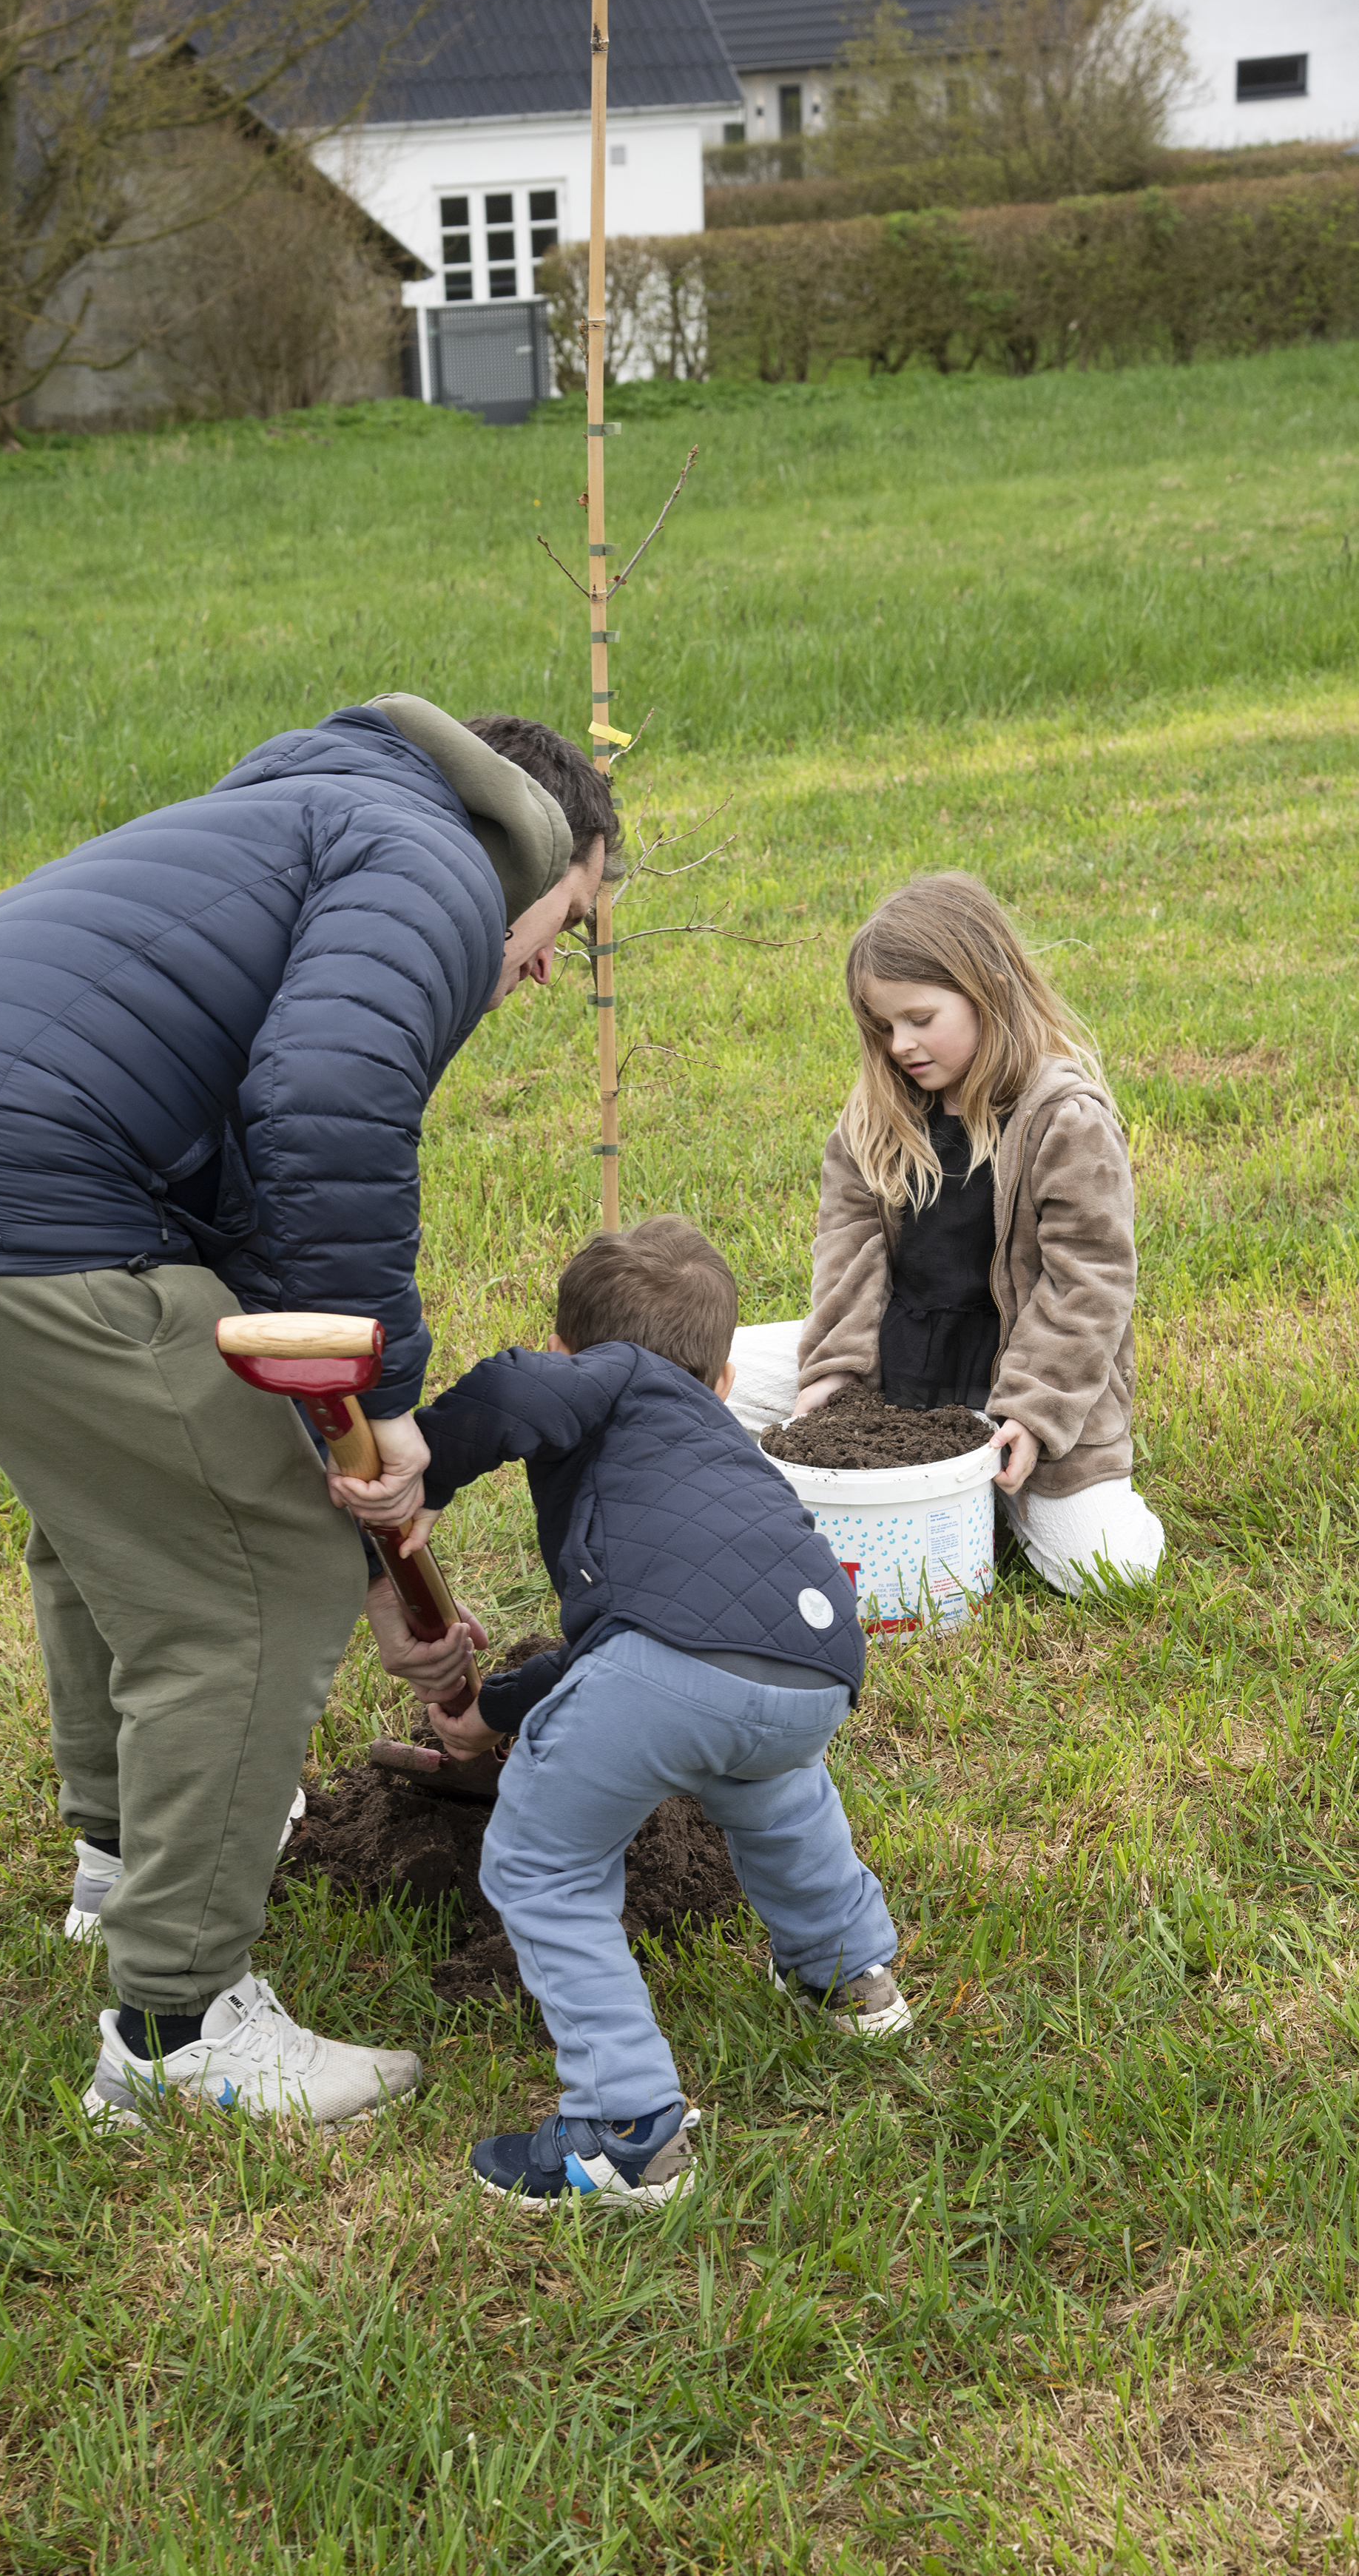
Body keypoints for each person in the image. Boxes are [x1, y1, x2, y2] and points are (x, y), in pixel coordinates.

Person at [0, 695, 608, 2129]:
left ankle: (118, 1867)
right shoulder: (437, 864)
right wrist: (388, 1408)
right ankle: (176, 2030)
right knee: (247, 1571)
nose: (540, 969)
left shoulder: (304, 823)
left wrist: (375, 1539)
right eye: (569, 925)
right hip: (10, 1195)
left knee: (126, 1501)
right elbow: (329, 1108)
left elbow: (251, 1223)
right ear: (535, 850)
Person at [400, 1216, 911, 2214]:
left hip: (672, 1661)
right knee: (771, 1787)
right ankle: (847, 1975)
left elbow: (506, 1392)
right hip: (810, 1657)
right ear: (724, 1377)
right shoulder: (721, 1441)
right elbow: (628, 1645)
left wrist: (416, 1473)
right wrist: (493, 1706)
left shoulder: (616, 1377)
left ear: (567, 1352)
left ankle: (621, 2130)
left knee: (541, 1862)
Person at [729, 872, 1164, 1596]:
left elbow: (1088, 1284)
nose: (899, 1044)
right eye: (883, 1025)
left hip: (1021, 1381)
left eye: (920, 1018)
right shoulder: (875, 1115)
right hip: (893, 1365)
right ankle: (782, 1508)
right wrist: (832, 1370)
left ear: (987, 987)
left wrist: (1031, 1413)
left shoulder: (1065, 1120)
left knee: (1109, 1573)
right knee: (698, 1371)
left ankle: (995, 1489)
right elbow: (847, 1250)